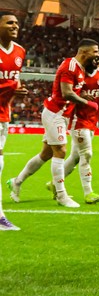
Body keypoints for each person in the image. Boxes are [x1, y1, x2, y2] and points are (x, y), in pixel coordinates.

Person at [7, 38, 99, 208]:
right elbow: (66, 93)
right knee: (61, 151)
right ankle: (61, 195)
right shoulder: (70, 67)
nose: (97, 54)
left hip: (62, 115)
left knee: (46, 154)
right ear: (84, 52)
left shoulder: (79, 68)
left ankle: (16, 181)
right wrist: (87, 103)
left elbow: (91, 74)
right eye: (95, 51)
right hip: (55, 114)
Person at [51, 60, 99, 204]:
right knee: (86, 154)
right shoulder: (77, 73)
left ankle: (54, 184)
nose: (98, 60)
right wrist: (80, 97)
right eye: (95, 57)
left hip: (93, 120)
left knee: (75, 157)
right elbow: (67, 92)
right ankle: (88, 193)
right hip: (77, 120)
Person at [0, 12, 29, 230]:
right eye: (9, 22)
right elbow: (10, 84)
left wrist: (16, 91)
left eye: (17, 23)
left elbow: (13, 82)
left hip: (3, 114)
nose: (15, 25)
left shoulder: (19, 51)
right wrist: (11, 88)